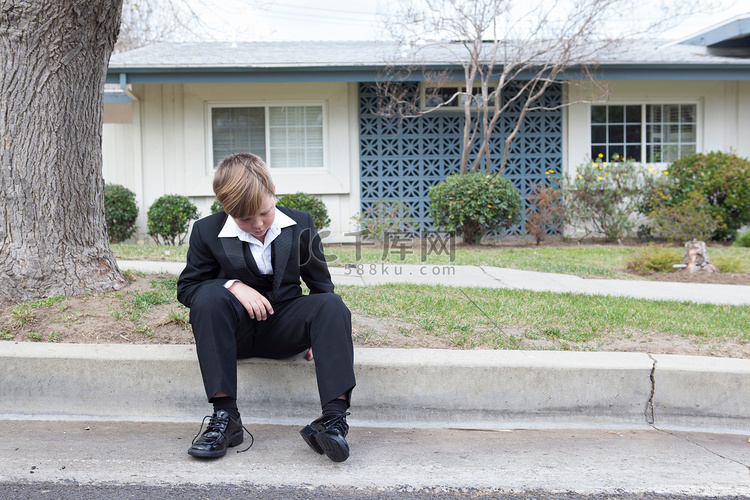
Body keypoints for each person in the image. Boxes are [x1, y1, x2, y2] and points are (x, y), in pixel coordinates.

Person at [176, 152, 355, 462]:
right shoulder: (206, 232)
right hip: (234, 335)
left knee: (332, 305)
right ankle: (226, 419)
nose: (257, 225)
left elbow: (321, 285)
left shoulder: (301, 223)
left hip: (284, 328)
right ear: (226, 208)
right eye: (245, 219)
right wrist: (232, 285)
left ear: (274, 194)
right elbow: (187, 288)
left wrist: (321, 337)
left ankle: (334, 421)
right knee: (207, 296)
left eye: (264, 213)